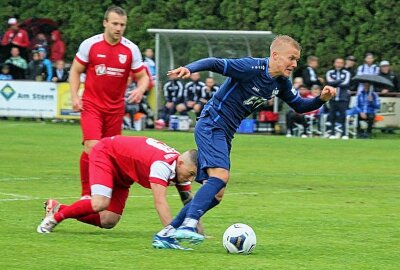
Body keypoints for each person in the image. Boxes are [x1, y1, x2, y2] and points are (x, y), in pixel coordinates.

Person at [152, 35, 336, 249]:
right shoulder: (251, 67)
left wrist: (321, 99)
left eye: (297, 60)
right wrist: (190, 68)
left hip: (225, 132)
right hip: (212, 123)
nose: (294, 64)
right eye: (291, 58)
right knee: (220, 176)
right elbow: (215, 63)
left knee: (217, 193)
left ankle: (167, 233)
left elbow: (299, 105)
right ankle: (189, 224)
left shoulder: (281, 83)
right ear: (275, 55)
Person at [37, 136, 198, 248]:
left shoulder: (180, 168)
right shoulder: (162, 166)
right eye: (190, 174)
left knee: (108, 220)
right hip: (106, 154)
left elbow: (190, 204)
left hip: (124, 171)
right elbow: (160, 202)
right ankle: (53, 219)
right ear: (181, 163)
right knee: (100, 202)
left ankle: (58, 208)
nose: (190, 180)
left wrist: (196, 232)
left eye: (194, 176)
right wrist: (169, 234)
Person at [69, 6, 149, 199]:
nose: (118, 28)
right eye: (114, 23)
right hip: (92, 105)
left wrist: (140, 89)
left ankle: (103, 189)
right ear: (105, 23)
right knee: (93, 146)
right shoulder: (90, 45)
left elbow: (143, 76)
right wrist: (74, 96)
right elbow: (75, 70)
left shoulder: (131, 49)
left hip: (115, 109)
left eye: (122, 25)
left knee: (108, 151)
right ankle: (88, 194)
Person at [325, 57, 352, 139]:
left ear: (343, 64)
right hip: (332, 98)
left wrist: (335, 82)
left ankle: (344, 133)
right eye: (337, 62)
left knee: (343, 116)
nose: (339, 64)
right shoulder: (329, 72)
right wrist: (339, 81)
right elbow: (329, 82)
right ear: (334, 63)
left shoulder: (347, 73)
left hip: (343, 98)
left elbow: (346, 83)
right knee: (332, 116)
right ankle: (332, 133)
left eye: (341, 62)